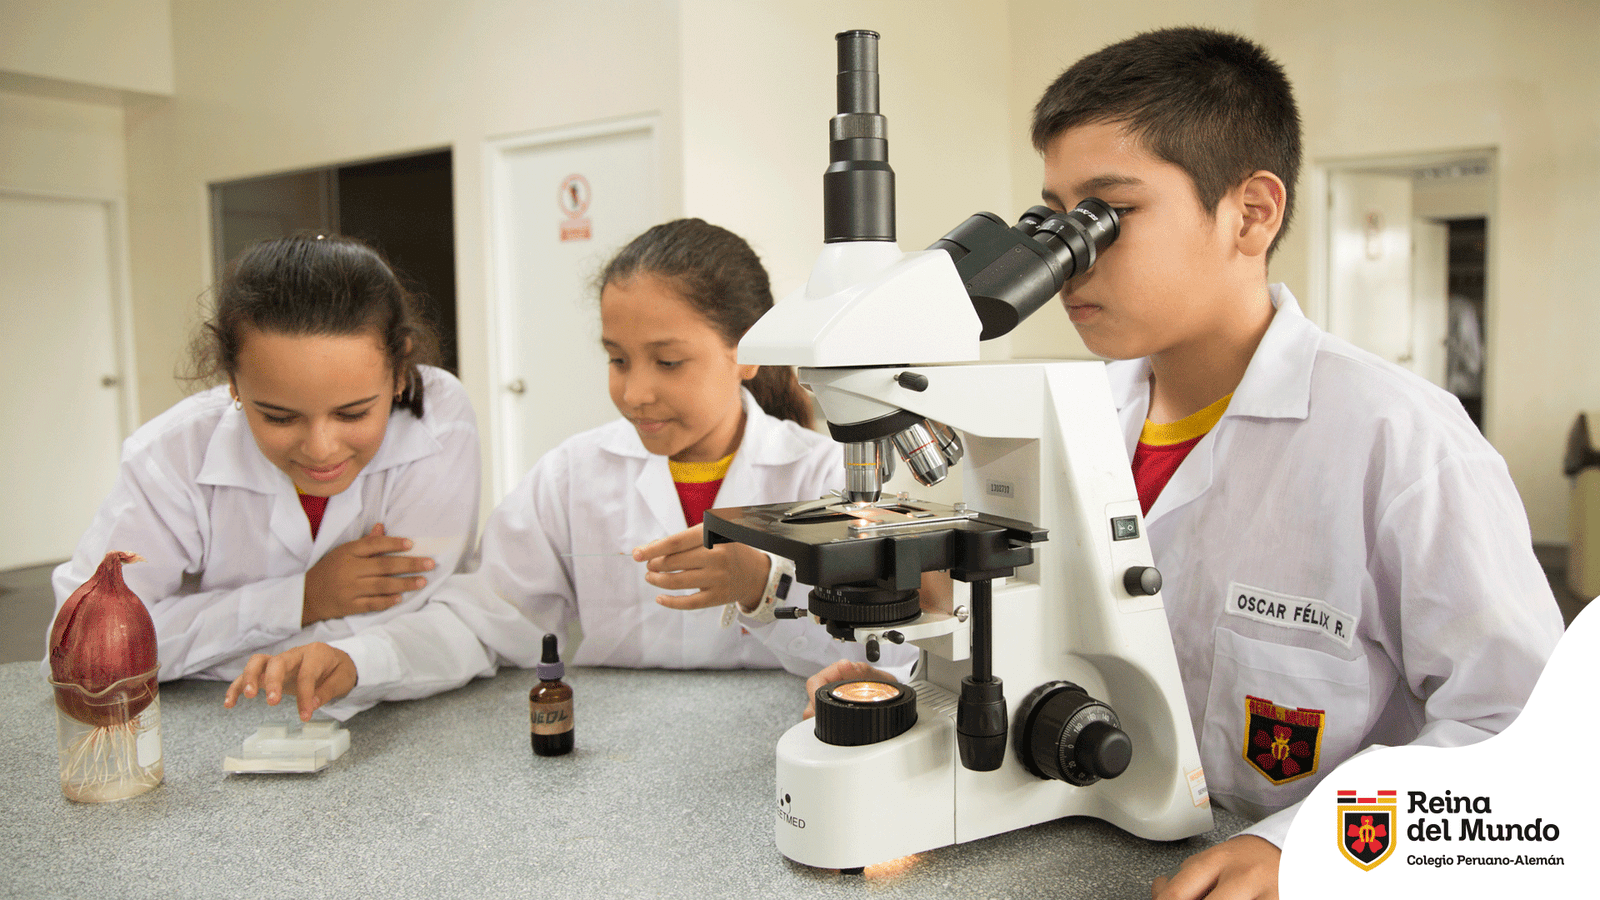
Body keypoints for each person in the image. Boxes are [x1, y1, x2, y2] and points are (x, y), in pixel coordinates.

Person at [805, 26, 1563, 900]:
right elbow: (1033, 645)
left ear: (1251, 212)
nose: (1064, 257)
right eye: (1050, 218)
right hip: (1078, 838)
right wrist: (913, 690)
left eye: (1106, 216)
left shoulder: (1401, 442)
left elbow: (1529, 737)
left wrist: (1307, 847)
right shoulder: (1066, 417)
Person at [49, 234, 509, 721]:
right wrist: (302, 599)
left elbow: (426, 619)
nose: (321, 448)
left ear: (399, 372)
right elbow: (83, 651)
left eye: (353, 413)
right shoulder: (172, 453)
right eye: (279, 417)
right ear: (233, 381)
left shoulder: (440, 419)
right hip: (208, 727)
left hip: (401, 725)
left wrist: (195, 639)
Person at [463, 218, 913, 676]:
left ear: (747, 352)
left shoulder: (824, 478)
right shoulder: (570, 476)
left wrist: (762, 584)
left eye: (668, 361)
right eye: (618, 359)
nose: (635, 392)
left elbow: (892, 654)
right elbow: (495, 620)